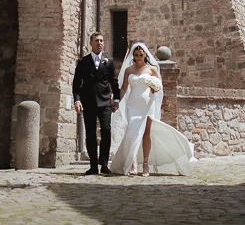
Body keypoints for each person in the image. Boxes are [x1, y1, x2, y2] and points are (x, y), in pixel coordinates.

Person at [108, 42, 195, 176]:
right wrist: (117, 100)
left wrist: (155, 88)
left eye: (141, 55)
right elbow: (124, 87)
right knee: (132, 133)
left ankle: (146, 164)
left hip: (147, 104)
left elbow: (158, 87)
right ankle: (133, 163)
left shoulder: (152, 69)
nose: (138, 58)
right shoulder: (129, 70)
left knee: (145, 133)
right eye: (136, 55)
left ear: (145, 55)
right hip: (132, 104)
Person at [72, 32, 119, 175]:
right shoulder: (83, 62)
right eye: (97, 41)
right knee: (90, 133)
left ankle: (104, 164)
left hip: (105, 101)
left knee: (106, 131)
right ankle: (93, 166)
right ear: (91, 43)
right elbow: (76, 83)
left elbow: (114, 82)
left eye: (101, 41)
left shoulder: (109, 61)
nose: (99, 43)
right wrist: (77, 99)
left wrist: (116, 99)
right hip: (89, 101)